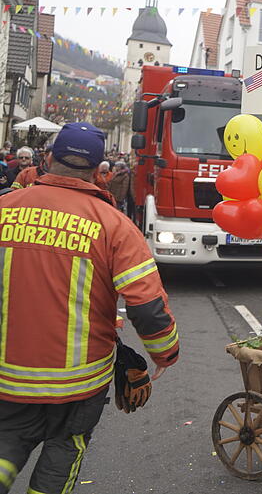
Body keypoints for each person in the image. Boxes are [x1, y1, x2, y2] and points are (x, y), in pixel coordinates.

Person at [0, 123, 180, 494]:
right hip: (79, 383)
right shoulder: (115, 225)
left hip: (8, 377)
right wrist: (165, 354)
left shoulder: (4, 208)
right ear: (100, 171)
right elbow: (147, 307)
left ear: (47, 160)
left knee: (6, 448)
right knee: (63, 453)